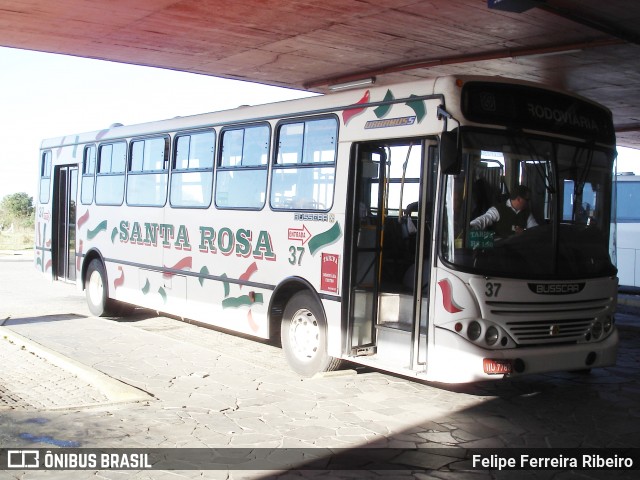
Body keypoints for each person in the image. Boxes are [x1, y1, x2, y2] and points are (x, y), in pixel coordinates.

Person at [470, 185, 537, 238]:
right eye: (527, 200)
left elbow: (536, 230)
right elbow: (484, 219)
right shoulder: (497, 210)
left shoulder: (527, 213)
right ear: (519, 199)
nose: (528, 203)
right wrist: (471, 227)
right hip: (499, 250)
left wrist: (524, 231)